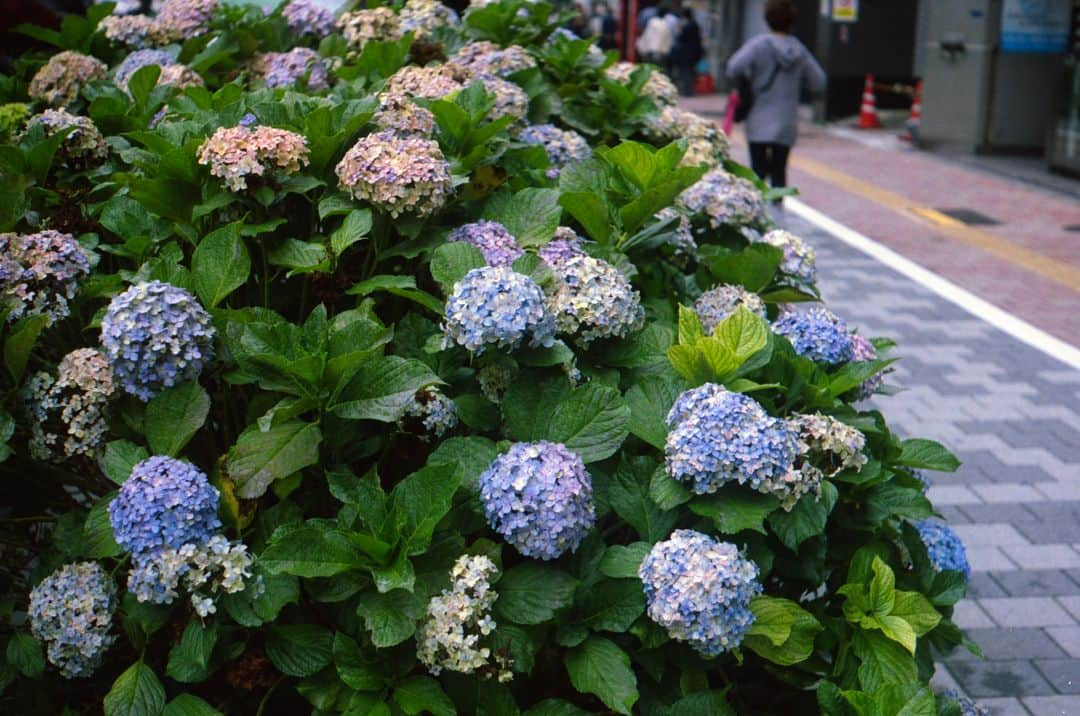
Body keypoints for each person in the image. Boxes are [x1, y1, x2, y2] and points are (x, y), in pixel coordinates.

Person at [726, 0, 825, 190]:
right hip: (786, 120)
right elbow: (819, 81)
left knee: (757, 172)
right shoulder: (799, 50)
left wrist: (748, 80)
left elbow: (733, 68)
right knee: (780, 170)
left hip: (758, 117)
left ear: (767, 19)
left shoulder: (758, 45)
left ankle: (756, 211)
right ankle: (779, 206)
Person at [671, 7, 703, 96]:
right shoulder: (695, 25)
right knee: (690, 71)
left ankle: (688, 91)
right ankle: (689, 90)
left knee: (686, 72)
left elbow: (681, 38)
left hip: (687, 53)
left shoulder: (688, 26)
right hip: (694, 53)